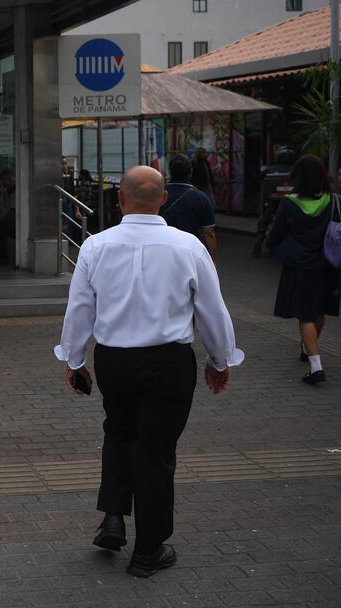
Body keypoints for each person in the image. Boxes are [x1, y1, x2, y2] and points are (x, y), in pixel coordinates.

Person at [56, 165, 243, 579]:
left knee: (119, 433)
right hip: (168, 362)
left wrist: (74, 361)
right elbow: (213, 311)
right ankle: (148, 550)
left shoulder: (95, 246)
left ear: (120, 199)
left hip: (114, 360)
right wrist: (220, 360)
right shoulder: (188, 246)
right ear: (164, 199)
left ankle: (113, 519)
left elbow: (79, 309)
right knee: (156, 452)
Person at [265, 154, 341, 385]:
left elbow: (275, 234)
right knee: (319, 310)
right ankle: (307, 347)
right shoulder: (335, 201)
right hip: (328, 265)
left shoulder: (288, 203)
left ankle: (316, 366)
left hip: (299, 267)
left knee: (305, 315)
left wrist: (272, 248)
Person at [159, 154, 218, 263]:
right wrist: (213, 261)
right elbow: (209, 233)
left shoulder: (159, 194)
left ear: (170, 172)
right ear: (191, 172)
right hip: (191, 251)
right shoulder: (201, 198)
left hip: (162, 248)